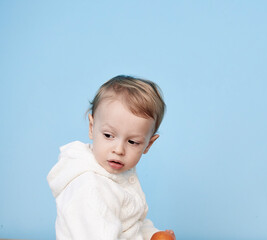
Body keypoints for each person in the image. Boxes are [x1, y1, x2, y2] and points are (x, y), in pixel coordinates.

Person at [47, 75, 176, 240]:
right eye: (108, 135)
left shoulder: (119, 174)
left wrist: (154, 235)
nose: (119, 149)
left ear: (148, 144)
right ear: (92, 127)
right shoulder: (88, 187)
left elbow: (133, 222)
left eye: (132, 142)